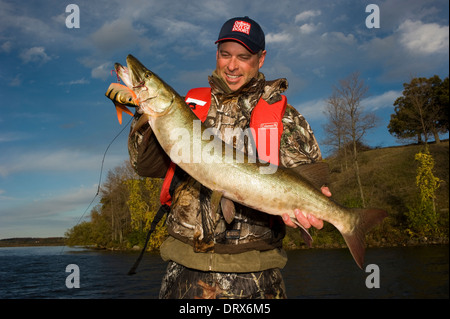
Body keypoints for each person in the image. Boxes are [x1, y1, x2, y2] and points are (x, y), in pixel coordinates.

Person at [128, 16, 330, 299]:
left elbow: (308, 177)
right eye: (225, 54)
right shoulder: (190, 106)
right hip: (183, 271)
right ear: (217, 54)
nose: (232, 66)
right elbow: (144, 165)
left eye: (243, 57)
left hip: (256, 278)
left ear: (261, 58)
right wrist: (143, 115)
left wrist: (314, 203)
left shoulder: (286, 117)